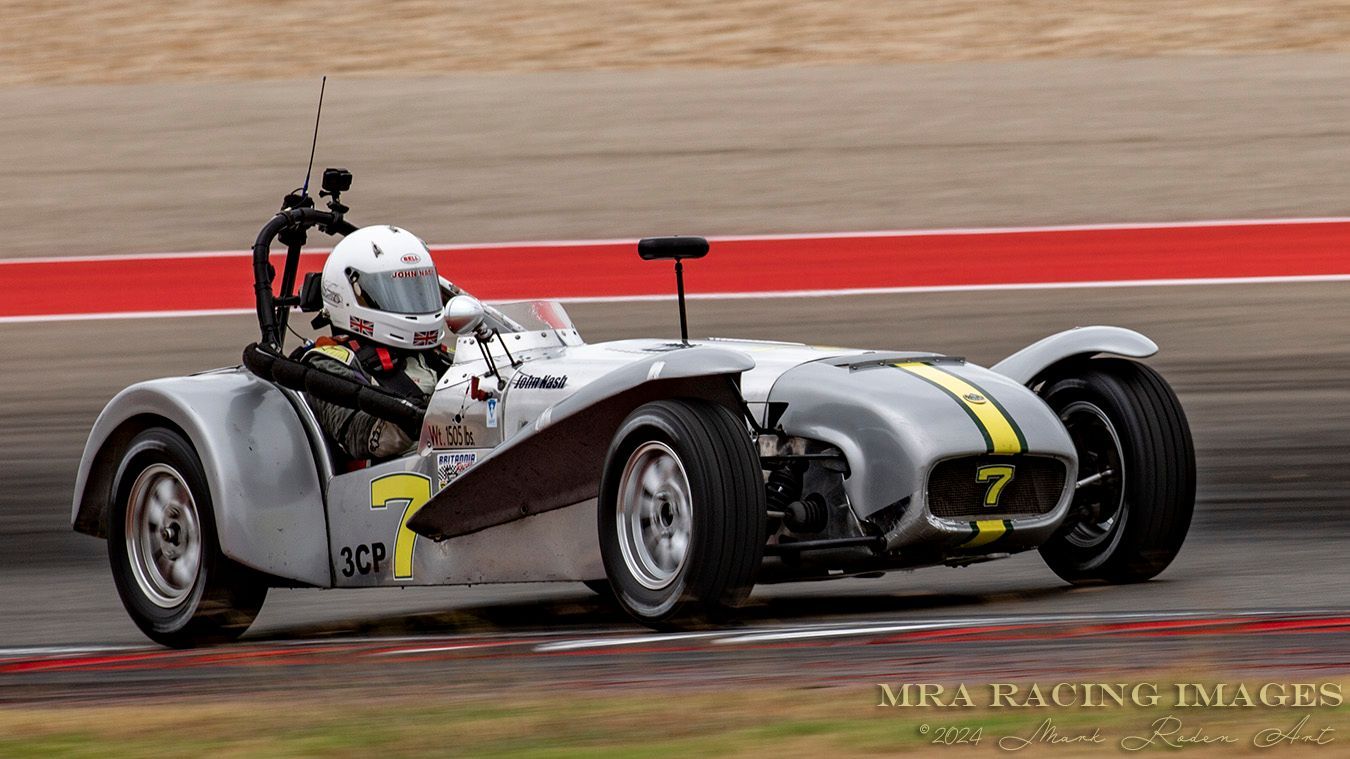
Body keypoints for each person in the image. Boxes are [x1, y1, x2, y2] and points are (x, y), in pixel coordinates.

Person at [303, 225, 453, 461]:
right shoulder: (326, 364)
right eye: (396, 292)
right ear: (348, 294)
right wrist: (435, 416)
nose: (414, 303)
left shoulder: (435, 356)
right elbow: (359, 435)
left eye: (417, 291)